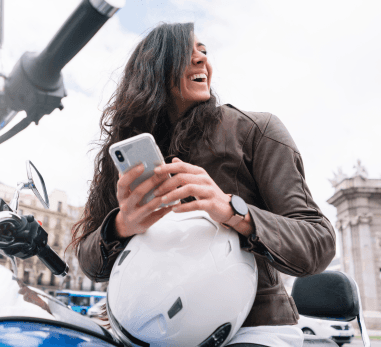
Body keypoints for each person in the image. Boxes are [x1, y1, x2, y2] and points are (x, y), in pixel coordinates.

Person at [70, 22, 335, 347]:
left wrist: (233, 211)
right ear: (152, 66)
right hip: (143, 332)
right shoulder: (122, 158)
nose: (202, 61)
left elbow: (318, 243)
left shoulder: (257, 130)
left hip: (253, 329)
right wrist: (122, 225)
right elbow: (88, 262)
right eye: (187, 52)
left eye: (204, 53)